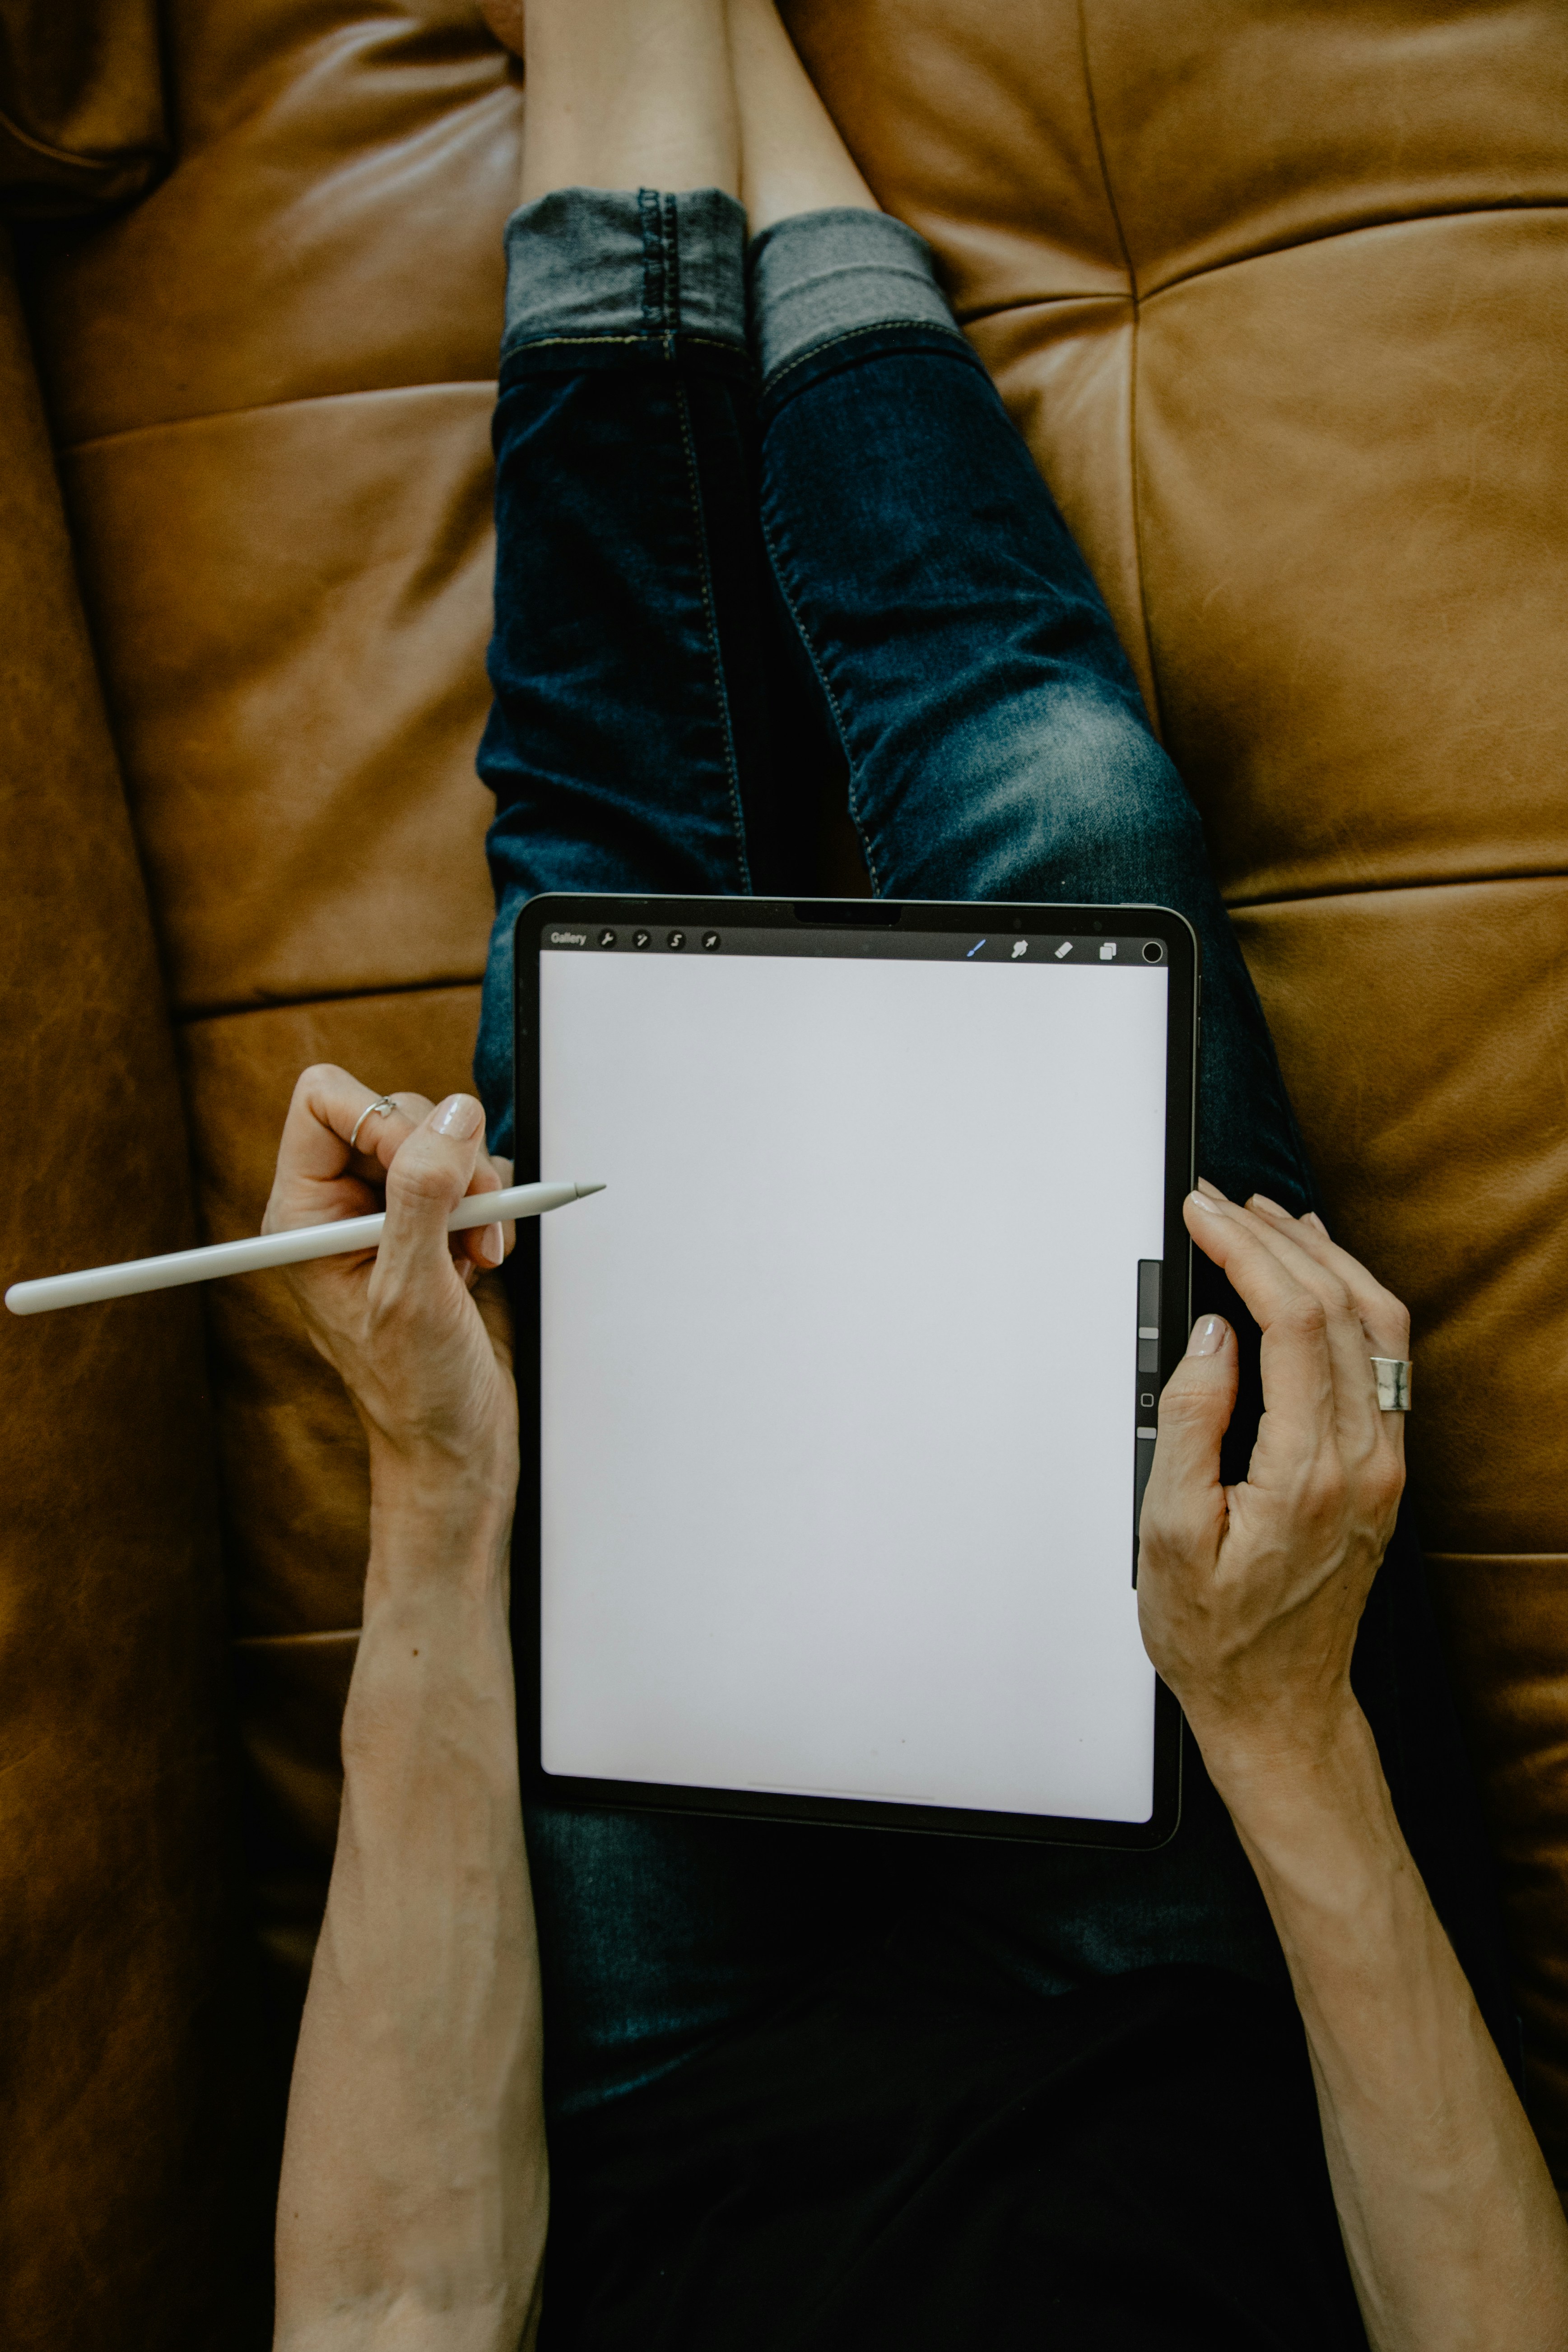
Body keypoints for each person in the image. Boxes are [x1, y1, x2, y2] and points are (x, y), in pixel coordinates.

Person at [265, 4, 1568, 2346]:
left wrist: (439, 1506)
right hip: (1198, 1998)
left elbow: (385, 2303)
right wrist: (1279, 1733)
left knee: (597, 934)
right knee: (1067, 829)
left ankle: (629, 29)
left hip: (671, 2102)